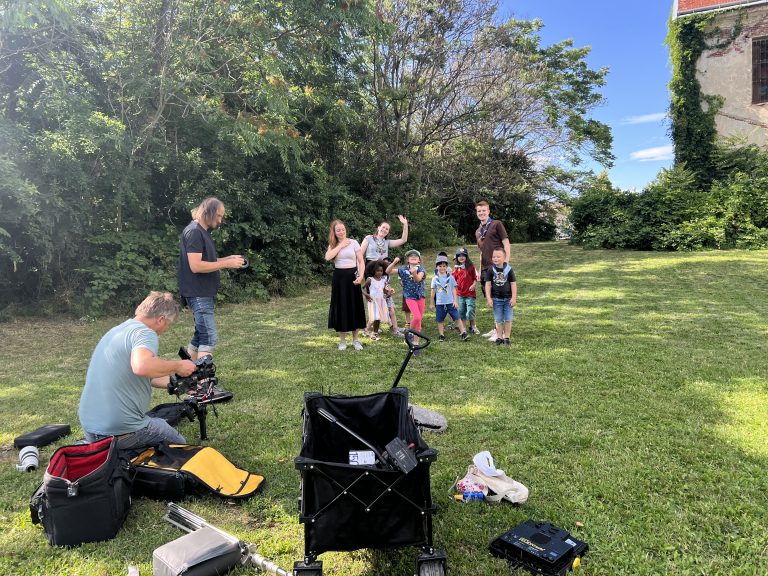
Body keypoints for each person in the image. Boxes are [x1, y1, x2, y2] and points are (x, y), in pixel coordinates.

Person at [78, 292, 197, 453]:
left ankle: (115, 455)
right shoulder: (145, 332)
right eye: (168, 325)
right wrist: (178, 366)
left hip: (90, 428)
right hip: (116, 431)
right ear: (160, 319)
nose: (164, 330)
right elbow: (142, 366)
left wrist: (176, 382)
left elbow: (140, 372)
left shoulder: (117, 331)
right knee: (178, 443)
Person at [178, 197, 245, 360]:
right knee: (208, 337)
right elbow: (196, 266)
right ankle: (203, 382)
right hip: (198, 293)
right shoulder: (194, 232)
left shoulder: (202, 231)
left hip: (202, 292)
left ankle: (185, 374)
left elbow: (206, 261)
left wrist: (228, 259)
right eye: (219, 216)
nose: (221, 220)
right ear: (209, 212)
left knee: (200, 335)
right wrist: (226, 264)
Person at [325, 219, 366, 350]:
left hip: (353, 277)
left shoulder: (354, 242)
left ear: (345, 229)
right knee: (341, 307)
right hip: (339, 279)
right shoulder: (333, 244)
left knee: (355, 306)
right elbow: (327, 257)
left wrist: (361, 276)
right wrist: (341, 246)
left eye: (343, 229)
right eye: (338, 230)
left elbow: (361, 261)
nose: (341, 232)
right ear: (334, 232)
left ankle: (355, 340)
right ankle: (342, 341)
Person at [475, 200, 510, 339]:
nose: (481, 213)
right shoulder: (478, 231)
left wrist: (505, 264)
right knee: (491, 299)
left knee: (499, 298)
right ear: (476, 213)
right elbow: (481, 252)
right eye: (479, 211)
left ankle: (499, 332)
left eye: (484, 210)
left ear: (488, 211)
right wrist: (479, 269)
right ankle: (496, 327)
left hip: (497, 267)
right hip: (485, 270)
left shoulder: (496, 224)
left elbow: (506, 243)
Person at [391, 249, 427, 351]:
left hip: (420, 297)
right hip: (409, 297)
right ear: (407, 260)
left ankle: (415, 343)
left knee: (419, 320)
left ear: (419, 260)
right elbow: (388, 271)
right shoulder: (402, 269)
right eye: (411, 256)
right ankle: (409, 333)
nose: (413, 257)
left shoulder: (421, 270)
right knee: (417, 316)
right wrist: (394, 262)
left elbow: (418, 279)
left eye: (416, 256)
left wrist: (414, 272)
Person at [430, 253, 469, 342]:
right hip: (440, 303)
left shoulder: (450, 278)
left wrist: (455, 301)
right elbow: (433, 291)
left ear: (447, 267)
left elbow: (454, 289)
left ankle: (463, 333)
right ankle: (441, 335)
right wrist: (432, 303)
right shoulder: (434, 279)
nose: (442, 268)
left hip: (450, 302)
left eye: (444, 266)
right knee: (440, 320)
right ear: (436, 267)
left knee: (457, 317)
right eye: (440, 266)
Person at [484, 247, 517, 346]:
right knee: (498, 319)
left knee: (508, 319)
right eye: (494, 257)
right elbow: (488, 284)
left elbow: (513, 284)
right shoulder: (491, 270)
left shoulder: (508, 269)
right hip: (496, 299)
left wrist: (514, 298)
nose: (495, 258)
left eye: (498, 256)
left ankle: (507, 337)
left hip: (508, 299)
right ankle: (499, 337)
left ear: (504, 257)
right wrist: (489, 298)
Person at [452, 248, 480, 335]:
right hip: (460, 294)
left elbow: (475, 278)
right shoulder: (456, 268)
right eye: (459, 256)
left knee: (470, 310)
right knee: (461, 311)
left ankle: (473, 326)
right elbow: (453, 281)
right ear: (456, 258)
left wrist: (473, 285)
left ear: (466, 257)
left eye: (463, 255)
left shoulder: (470, 266)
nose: (461, 257)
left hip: (470, 293)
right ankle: (463, 328)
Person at [361, 260, 390, 340]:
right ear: (373, 271)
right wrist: (366, 294)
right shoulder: (370, 279)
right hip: (373, 301)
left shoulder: (384, 280)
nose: (379, 272)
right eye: (377, 271)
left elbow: (384, 291)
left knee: (378, 318)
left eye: (381, 271)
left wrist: (388, 293)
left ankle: (374, 332)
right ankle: (373, 333)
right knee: (375, 317)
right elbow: (361, 288)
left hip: (381, 301)